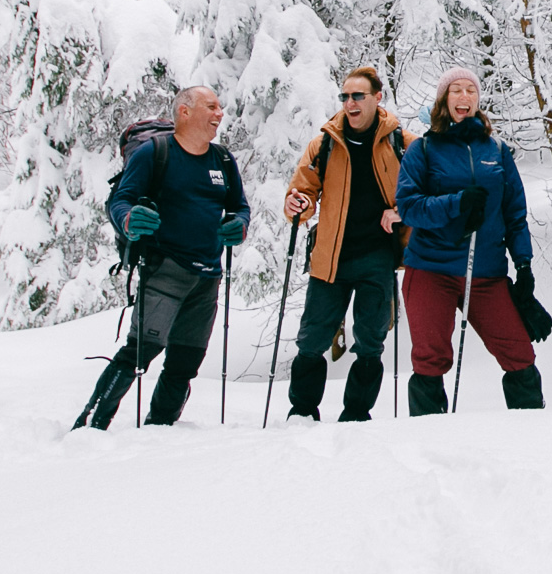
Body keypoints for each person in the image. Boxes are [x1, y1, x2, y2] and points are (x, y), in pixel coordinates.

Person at [74, 86, 249, 429]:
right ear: (185, 112)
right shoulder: (155, 153)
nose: (220, 113)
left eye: (220, 107)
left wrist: (238, 224)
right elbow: (120, 201)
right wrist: (129, 218)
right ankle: (92, 424)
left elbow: (239, 206)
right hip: (165, 270)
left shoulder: (224, 161)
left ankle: (161, 429)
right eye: (211, 106)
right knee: (140, 352)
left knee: (186, 361)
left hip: (208, 276)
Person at [392, 69, 544, 414]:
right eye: (456, 90)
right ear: (444, 100)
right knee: (431, 357)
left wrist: (524, 264)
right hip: (431, 268)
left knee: (519, 352)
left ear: (478, 99)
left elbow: (514, 213)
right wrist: (457, 203)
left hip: (486, 273)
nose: (464, 96)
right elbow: (409, 208)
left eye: (471, 90)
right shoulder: (424, 149)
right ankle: (430, 441)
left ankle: (533, 435)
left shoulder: (497, 150)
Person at [281, 66, 414, 422]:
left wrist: (402, 210)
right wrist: (298, 204)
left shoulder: (401, 142)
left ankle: (356, 415)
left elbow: (426, 190)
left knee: (370, 343)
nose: (350, 103)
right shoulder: (325, 142)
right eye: (345, 96)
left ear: (376, 98)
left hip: (377, 258)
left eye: (358, 96)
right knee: (311, 340)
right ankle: (303, 412)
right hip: (330, 258)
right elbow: (302, 191)